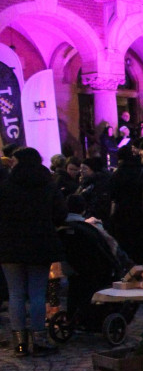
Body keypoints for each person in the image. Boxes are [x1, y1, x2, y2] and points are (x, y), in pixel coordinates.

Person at [0, 147, 67, 356]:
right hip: (40, 245)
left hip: (9, 247)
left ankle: (20, 343)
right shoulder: (47, 186)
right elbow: (60, 214)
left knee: (16, 294)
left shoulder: (5, 187)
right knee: (37, 293)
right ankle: (39, 340)